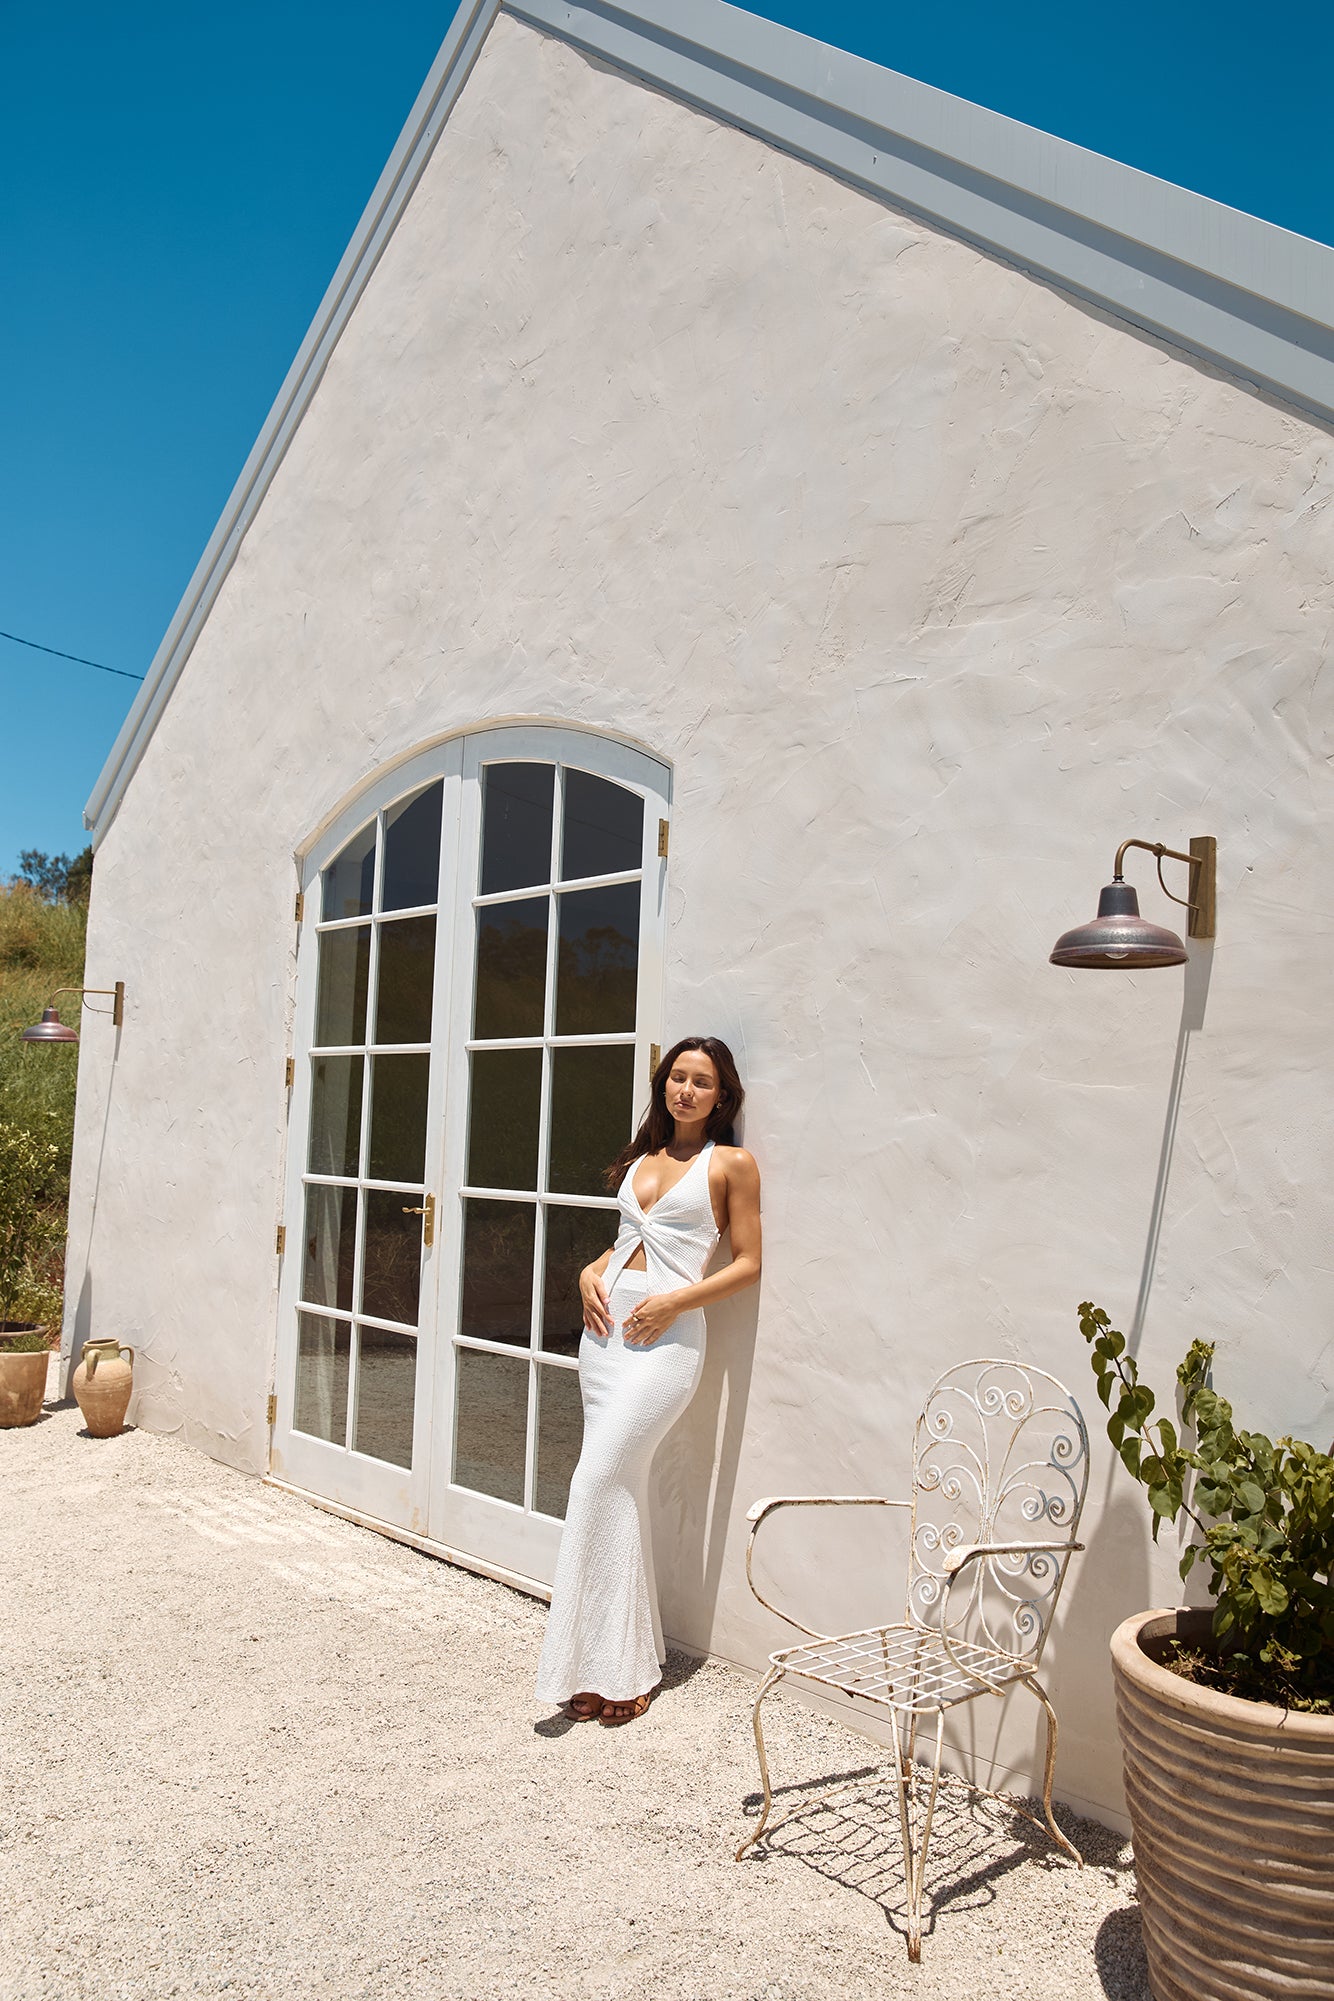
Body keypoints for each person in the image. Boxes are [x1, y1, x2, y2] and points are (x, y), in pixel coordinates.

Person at [535, 1036, 761, 1724]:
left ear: (721, 1095)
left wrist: (674, 1302)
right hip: (604, 1339)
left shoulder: (732, 1164)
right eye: (676, 1078)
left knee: (595, 1478)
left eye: (701, 1081)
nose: (684, 1090)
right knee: (619, 1488)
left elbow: (748, 1261)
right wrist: (588, 1270)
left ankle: (608, 1661)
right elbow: (630, 1241)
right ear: (663, 1085)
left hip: (667, 1343)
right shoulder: (645, 1159)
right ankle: (620, 1667)